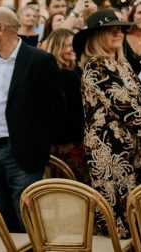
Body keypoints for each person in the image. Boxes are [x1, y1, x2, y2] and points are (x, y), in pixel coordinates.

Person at [0, 7, 64, 232]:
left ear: (1, 29)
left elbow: (56, 107)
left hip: (23, 154)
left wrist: (40, 145)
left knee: (27, 222)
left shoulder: (39, 60)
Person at [74, 9, 141, 237]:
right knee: (117, 216)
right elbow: (123, 104)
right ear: (96, 36)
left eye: (119, 29)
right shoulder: (95, 66)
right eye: (110, 29)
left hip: (136, 150)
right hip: (110, 151)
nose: (117, 32)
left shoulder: (124, 66)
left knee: (138, 211)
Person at [43, 29, 89, 182]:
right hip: (69, 144)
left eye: (73, 45)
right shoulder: (67, 75)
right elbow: (76, 113)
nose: (72, 49)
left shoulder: (55, 72)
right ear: (56, 47)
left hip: (53, 144)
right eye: (67, 45)